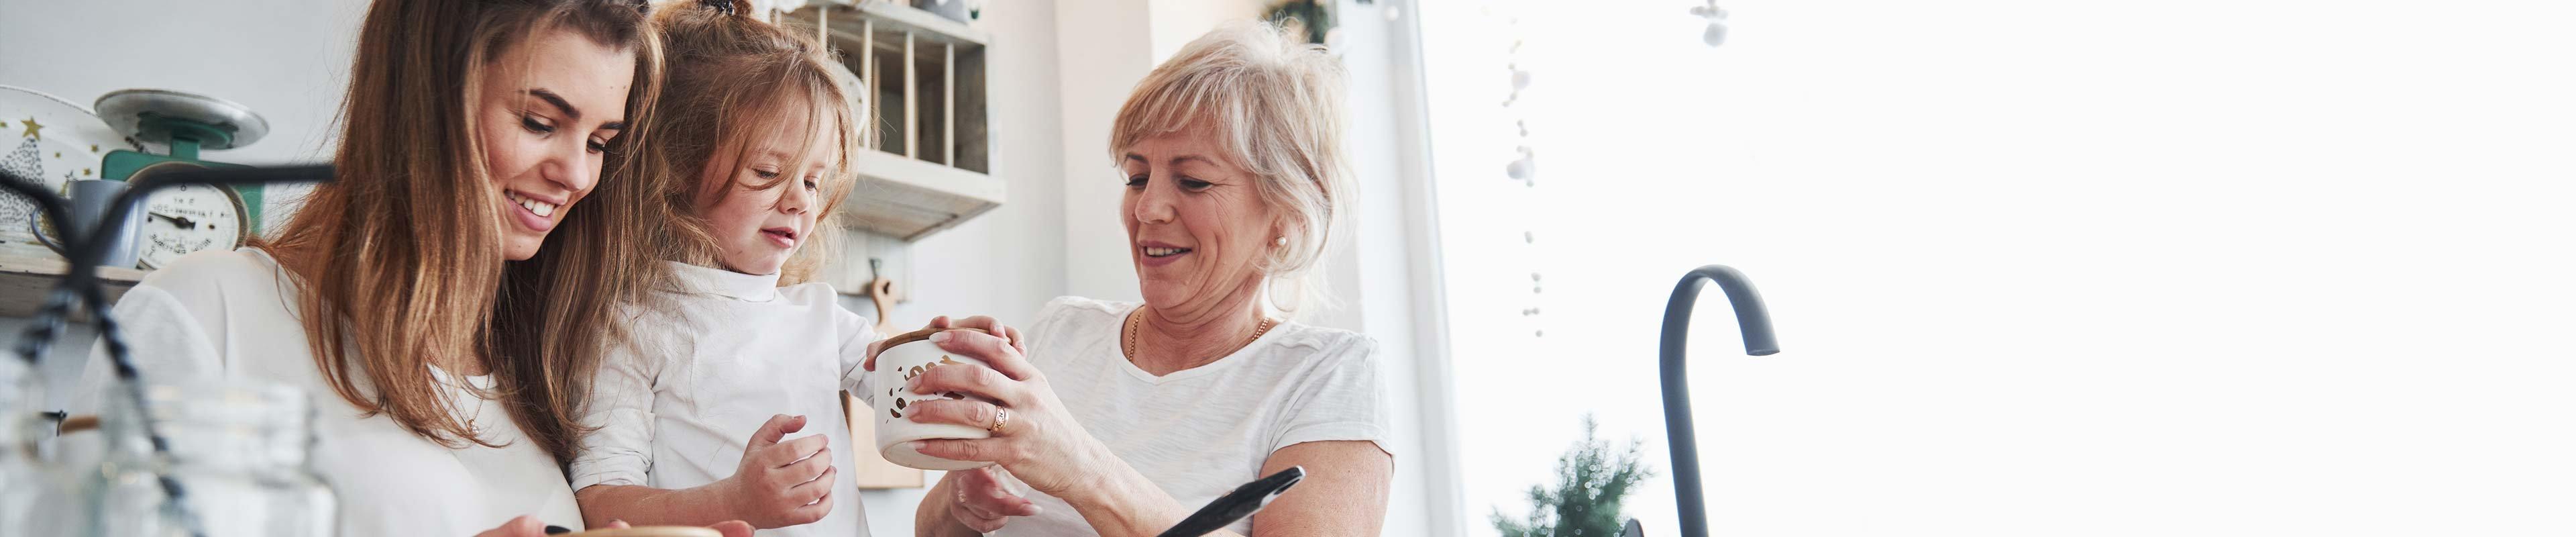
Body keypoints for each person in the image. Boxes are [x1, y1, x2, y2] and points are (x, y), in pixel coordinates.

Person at [66, 1, 734, 535]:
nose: (577, 173)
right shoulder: (206, 309)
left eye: (599, 141)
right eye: (538, 122)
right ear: (424, 103)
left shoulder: (541, 376)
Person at [896, 21, 1394, 536]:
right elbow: (933, 530)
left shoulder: (1327, 377)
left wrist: (1080, 467)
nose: (1149, 208)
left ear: (1287, 211)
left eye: (1193, 181)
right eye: (1137, 177)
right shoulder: (1061, 331)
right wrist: (960, 505)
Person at [566, 1, 885, 534]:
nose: (801, 203)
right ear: (676, 171)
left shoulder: (820, 316)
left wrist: (950, 356)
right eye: (768, 171)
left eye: (813, 180)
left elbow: (903, 384)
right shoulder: (631, 327)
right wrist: (732, 500)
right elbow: (600, 503)